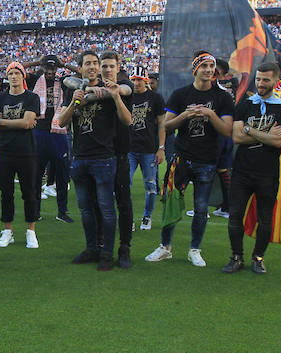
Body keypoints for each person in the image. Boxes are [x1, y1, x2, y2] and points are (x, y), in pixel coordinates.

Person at [145, 51, 234, 267]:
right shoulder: (180, 94)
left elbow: (227, 130)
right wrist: (186, 115)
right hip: (181, 157)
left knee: (201, 208)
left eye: (211, 66)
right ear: (195, 69)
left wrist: (210, 114)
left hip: (207, 159)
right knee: (170, 202)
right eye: (204, 66)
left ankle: (195, 249)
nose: (209, 70)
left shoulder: (222, 97)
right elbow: (166, 125)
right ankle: (165, 247)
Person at [58, 49, 132, 271]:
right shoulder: (72, 89)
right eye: (87, 63)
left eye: (95, 63)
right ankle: (92, 248)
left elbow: (127, 121)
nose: (92, 67)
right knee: (86, 209)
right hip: (79, 158)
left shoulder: (109, 88)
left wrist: (116, 96)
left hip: (104, 158)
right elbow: (61, 122)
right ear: (79, 68)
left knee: (107, 209)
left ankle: (107, 253)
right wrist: (74, 103)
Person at [222, 62, 281, 274]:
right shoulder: (245, 104)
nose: (261, 84)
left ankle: (258, 257)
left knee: (265, 219)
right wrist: (267, 135)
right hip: (242, 171)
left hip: (268, 172)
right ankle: (236, 256)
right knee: (235, 215)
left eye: (266, 80)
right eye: (259, 79)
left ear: (275, 81)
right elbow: (236, 136)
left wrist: (250, 130)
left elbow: (278, 142)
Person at [0, 62, 40, 249]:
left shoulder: (31, 97)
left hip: (26, 151)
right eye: (10, 73)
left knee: (29, 192)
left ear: (23, 76)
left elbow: (28, 123)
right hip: (4, 151)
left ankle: (31, 231)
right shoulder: (0, 98)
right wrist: (17, 123)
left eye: (17, 73)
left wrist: (2, 122)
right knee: (6, 193)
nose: (13, 76)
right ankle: (7, 231)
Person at [27, 55, 73, 223]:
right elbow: (14, 67)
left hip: (59, 131)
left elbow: (81, 73)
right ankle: (36, 211)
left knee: (62, 174)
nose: (50, 72)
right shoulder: (34, 80)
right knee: (36, 175)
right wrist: (37, 62)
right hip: (39, 131)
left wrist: (64, 64)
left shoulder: (65, 81)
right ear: (43, 68)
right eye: (47, 68)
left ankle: (62, 211)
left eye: (53, 69)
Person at [100, 51, 135, 268]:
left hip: (119, 153)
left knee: (123, 203)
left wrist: (113, 94)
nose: (107, 70)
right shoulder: (92, 86)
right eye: (104, 66)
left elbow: (127, 119)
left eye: (111, 66)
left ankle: (124, 248)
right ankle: (102, 247)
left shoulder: (124, 87)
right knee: (101, 205)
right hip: (100, 155)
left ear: (118, 68)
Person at [128, 66, 166, 231]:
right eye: (134, 80)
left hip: (149, 149)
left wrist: (161, 148)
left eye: (139, 80)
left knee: (151, 187)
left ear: (145, 80)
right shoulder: (127, 97)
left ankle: (147, 216)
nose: (136, 83)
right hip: (129, 149)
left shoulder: (155, 98)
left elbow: (162, 125)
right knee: (125, 185)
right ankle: (127, 218)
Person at [212, 58, 238, 218]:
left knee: (208, 170)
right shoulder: (233, 85)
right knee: (221, 171)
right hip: (228, 132)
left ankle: (201, 207)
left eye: (213, 69)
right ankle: (227, 206)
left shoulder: (219, 88)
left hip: (218, 134)